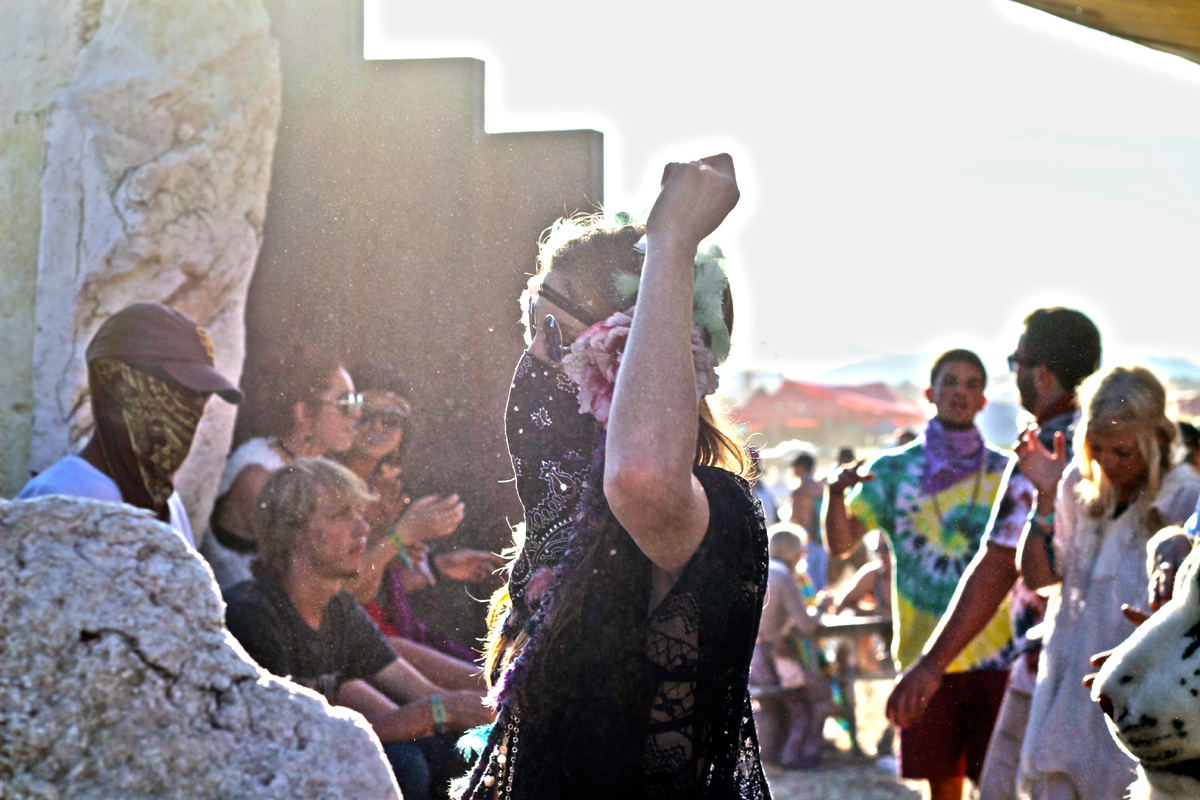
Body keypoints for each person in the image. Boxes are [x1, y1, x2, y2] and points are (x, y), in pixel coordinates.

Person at [457, 155, 769, 799]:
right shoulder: (562, 537)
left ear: (632, 351)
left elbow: (642, 476)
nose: (531, 358)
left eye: (551, 330)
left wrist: (672, 238)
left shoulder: (715, 512)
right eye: (528, 322)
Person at [885, 307, 1102, 800]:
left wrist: (931, 665)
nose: (1015, 374)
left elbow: (1000, 564)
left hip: (1053, 663)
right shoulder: (1117, 440)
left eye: (1015, 363)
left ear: (1040, 374)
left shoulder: (1044, 448)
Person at [224, 458, 494, 800]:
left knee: (462, 752)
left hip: (310, 760)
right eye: (340, 515)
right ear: (293, 533)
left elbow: (420, 692)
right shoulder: (253, 616)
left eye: (359, 513)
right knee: (403, 764)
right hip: (261, 778)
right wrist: (437, 711)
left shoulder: (338, 608)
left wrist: (492, 711)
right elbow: (292, 738)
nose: (363, 528)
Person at [824, 348, 1015, 800]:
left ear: (983, 400)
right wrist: (834, 496)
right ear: (930, 393)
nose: (960, 392)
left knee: (997, 784)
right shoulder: (893, 471)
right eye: (950, 381)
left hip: (997, 652)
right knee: (942, 786)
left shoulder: (1006, 471)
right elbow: (842, 544)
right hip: (922, 654)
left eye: (971, 384)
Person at [1015, 365, 1200, 800]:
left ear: (1155, 440)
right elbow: (1039, 577)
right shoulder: (1077, 484)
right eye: (1096, 448)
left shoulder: (1185, 495)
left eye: (1122, 451)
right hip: (1067, 685)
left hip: (1143, 693)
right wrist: (1044, 498)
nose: (1108, 463)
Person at [18, 303, 241, 548]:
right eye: (178, 390)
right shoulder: (56, 501)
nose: (191, 410)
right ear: (115, 380)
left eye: (200, 396)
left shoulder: (168, 503)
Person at [337, 363, 504, 687]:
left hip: (383, 635)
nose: (377, 425)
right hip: (359, 648)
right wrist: (402, 534)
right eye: (366, 413)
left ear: (402, 436)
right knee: (490, 691)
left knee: (494, 682)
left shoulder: (377, 486)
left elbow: (371, 587)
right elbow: (342, 594)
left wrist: (436, 568)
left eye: (392, 419)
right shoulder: (331, 484)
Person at [200, 354, 362, 591]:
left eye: (358, 401)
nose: (357, 414)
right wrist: (397, 537)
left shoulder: (310, 467)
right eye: (345, 403)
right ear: (303, 412)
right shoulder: (259, 477)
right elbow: (313, 583)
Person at [750, 525, 832, 770]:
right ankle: (800, 756)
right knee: (819, 696)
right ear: (792, 552)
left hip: (752, 660)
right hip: (771, 657)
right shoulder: (783, 576)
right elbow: (806, 626)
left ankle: (776, 756)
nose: (803, 556)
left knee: (784, 702)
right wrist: (822, 606)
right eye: (802, 551)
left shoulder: (755, 570)